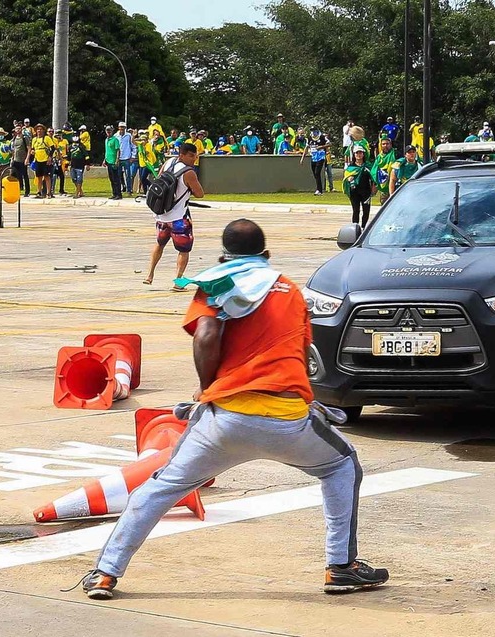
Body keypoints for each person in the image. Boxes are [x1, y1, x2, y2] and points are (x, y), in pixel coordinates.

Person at [78, 217, 389, 600]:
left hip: (224, 420)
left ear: (224, 256)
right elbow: (303, 354)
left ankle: (106, 573)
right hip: (288, 419)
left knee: (160, 488)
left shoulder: (215, 284)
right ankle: (340, 567)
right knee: (341, 466)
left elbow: (207, 336)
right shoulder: (289, 290)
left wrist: (207, 388)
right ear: (267, 254)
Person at [144, 143, 204, 288]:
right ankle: (178, 282)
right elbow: (200, 194)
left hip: (162, 216)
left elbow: (159, 180)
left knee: (159, 244)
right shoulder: (189, 172)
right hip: (179, 218)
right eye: (191, 156)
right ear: (182, 155)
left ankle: (149, 275)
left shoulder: (168, 162)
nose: (194, 159)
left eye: (195, 156)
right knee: (184, 250)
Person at [344, 146, 376, 229]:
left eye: (360, 153)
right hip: (354, 191)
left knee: (366, 211)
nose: (359, 154)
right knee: (356, 210)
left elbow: (373, 177)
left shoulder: (368, 166)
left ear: (363, 154)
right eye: (357, 153)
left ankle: (363, 227)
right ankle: (355, 228)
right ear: (354, 155)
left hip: (366, 191)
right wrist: (349, 178)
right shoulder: (350, 167)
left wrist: (373, 188)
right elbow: (346, 177)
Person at [301, 126, 330, 195]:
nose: (313, 132)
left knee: (317, 172)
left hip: (321, 157)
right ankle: (319, 188)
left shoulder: (322, 137)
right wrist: (302, 158)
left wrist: (321, 147)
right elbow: (306, 148)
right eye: (312, 131)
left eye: (314, 131)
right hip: (313, 157)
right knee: (315, 174)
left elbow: (329, 144)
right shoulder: (310, 138)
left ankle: (319, 190)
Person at [30, 123, 56, 199]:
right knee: (39, 177)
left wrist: (50, 157)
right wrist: (32, 152)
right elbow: (32, 148)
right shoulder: (34, 139)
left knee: (47, 176)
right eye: (38, 129)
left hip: (45, 159)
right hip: (38, 159)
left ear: (43, 130)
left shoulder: (47, 138)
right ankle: (39, 192)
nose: (39, 131)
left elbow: (53, 148)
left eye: (41, 129)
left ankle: (48, 193)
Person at [371, 136, 396, 204]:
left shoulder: (395, 154)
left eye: (387, 144)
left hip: (395, 184)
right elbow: (374, 170)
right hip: (383, 185)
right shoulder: (379, 157)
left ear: (390, 144)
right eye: (383, 144)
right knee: (384, 205)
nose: (385, 145)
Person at [115, 123, 135, 196]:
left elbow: (133, 146)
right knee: (119, 175)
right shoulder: (115, 136)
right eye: (121, 127)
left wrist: (132, 156)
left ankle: (129, 190)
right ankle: (122, 187)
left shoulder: (129, 136)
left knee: (128, 175)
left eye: (123, 127)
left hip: (126, 158)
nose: (122, 129)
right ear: (118, 127)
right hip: (119, 158)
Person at [102, 125, 122, 200]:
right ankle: (114, 193)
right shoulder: (106, 140)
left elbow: (118, 150)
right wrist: (104, 160)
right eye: (107, 131)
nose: (108, 132)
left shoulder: (115, 139)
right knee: (111, 179)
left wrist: (117, 160)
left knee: (116, 179)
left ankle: (118, 194)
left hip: (114, 161)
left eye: (109, 131)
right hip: (108, 161)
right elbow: (107, 151)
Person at [10, 126, 31, 197]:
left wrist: (27, 159)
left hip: (23, 160)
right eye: (16, 129)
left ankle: (27, 191)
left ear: (21, 129)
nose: (18, 130)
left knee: (25, 175)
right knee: (14, 175)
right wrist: (12, 158)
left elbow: (29, 149)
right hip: (15, 160)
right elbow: (13, 149)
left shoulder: (25, 138)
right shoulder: (14, 139)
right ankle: (16, 190)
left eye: (19, 129)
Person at [68, 133, 89, 199]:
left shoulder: (81, 146)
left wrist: (88, 164)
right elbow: (69, 156)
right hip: (73, 166)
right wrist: (66, 164)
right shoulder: (70, 147)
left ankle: (77, 193)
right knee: (73, 179)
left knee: (79, 179)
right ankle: (81, 191)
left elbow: (86, 156)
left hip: (80, 165)